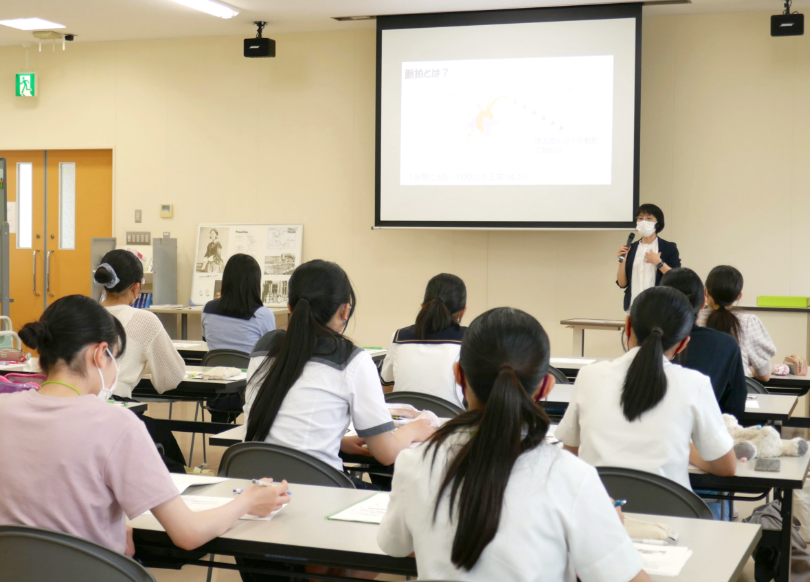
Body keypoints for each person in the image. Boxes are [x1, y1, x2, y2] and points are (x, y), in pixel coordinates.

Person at [0, 295, 290, 558]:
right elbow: (188, 533)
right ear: (100, 354)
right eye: (116, 357)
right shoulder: (116, 425)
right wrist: (248, 501)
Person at [378, 307, 648, 582]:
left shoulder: (416, 462)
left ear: (459, 376)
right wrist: (607, 530)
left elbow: (395, 546)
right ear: (545, 387)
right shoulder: (572, 477)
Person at [244, 259, 435, 488]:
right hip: (319, 492)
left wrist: (337, 441)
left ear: (289, 307)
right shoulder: (352, 360)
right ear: (345, 310)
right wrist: (414, 428)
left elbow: (282, 426)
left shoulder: (263, 347)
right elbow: (387, 453)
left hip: (255, 488)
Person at [556, 287, 737, 491]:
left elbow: (571, 452)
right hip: (670, 519)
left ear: (628, 325)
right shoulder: (695, 384)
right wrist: (686, 447)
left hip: (599, 514)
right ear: (683, 343)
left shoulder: (589, 375)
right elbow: (727, 467)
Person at [95, 249, 186, 398]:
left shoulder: (83, 314)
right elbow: (171, 378)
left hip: (78, 403)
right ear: (136, 287)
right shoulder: (144, 319)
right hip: (116, 406)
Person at [661, 268, 747, 417]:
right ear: (703, 302)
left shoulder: (648, 341)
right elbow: (735, 406)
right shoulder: (728, 345)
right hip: (705, 432)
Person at [380, 273, 467, 407]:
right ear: (462, 312)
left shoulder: (399, 337)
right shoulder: (469, 340)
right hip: (452, 425)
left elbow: (386, 389)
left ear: (422, 306)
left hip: (404, 424)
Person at [697, 265, 776, 382]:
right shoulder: (749, 322)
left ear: (705, 292)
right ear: (739, 296)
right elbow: (765, 376)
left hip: (696, 395)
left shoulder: (692, 319)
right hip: (736, 397)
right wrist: (748, 369)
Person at [202, 254, 276, 354]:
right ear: (255, 282)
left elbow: (205, 339)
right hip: (250, 369)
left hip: (214, 369)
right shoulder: (263, 315)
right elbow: (270, 351)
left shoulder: (207, 309)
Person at [616, 203, 681, 313]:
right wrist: (622, 261)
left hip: (660, 309)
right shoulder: (631, 248)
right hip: (633, 309)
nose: (643, 222)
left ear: (657, 223)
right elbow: (622, 283)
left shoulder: (668, 247)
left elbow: (677, 278)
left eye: (649, 218)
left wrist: (658, 262)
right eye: (640, 218)